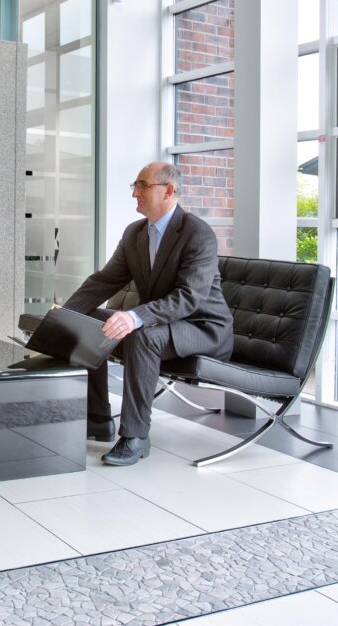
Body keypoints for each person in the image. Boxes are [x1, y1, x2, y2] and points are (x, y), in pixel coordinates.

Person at [62, 161, 233, 466]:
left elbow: (189, 297)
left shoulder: (197, 233)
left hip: (202, 327)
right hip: (162, 324)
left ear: (169, 190)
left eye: (143, 185)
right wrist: (63, 317)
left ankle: (136, 436)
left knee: (142, 335)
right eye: (135, 186)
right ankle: (98, 418)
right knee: (90, 322)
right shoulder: (136, 233)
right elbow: (104, 281)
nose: (135, 193)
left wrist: (134, 317)